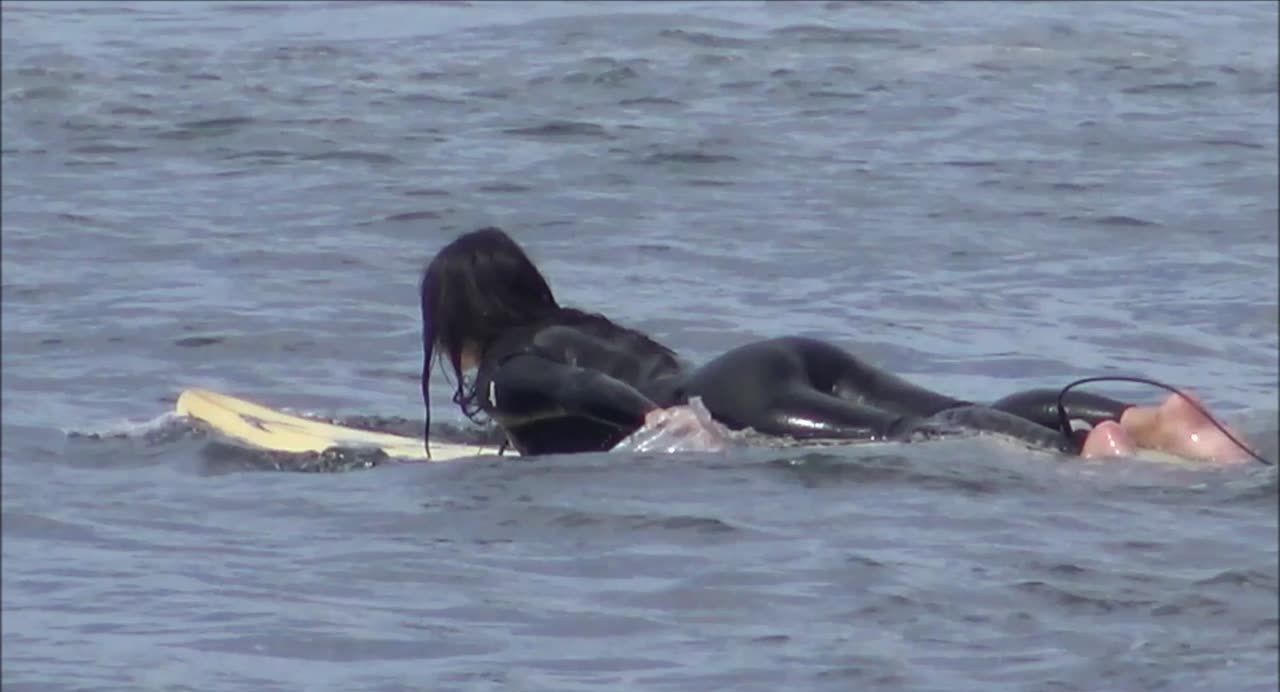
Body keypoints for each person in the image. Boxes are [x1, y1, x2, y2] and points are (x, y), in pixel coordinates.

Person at [419, 227, 1256, 463]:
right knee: (946, 411)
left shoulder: (504, 369)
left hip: (729, 399)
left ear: (458, 324)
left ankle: (1091, 457)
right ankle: (1134, 418)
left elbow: (583, 397)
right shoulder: (580, 325)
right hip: (779, 356)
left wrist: (669, 422)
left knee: (915, 441)